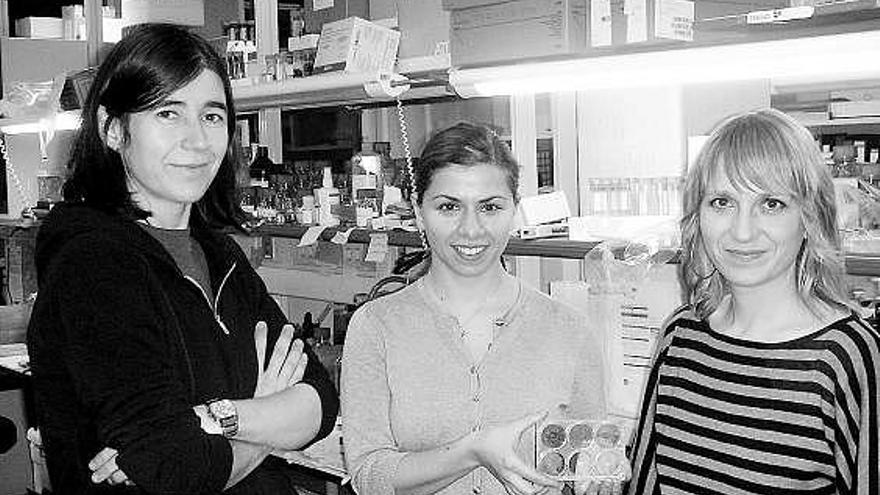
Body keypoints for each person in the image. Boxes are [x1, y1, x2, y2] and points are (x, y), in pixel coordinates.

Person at [26, 23, 338, 494]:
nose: (198, 141)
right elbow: (176, 468)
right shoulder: (93, 265)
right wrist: (269, 418)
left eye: (212, 116)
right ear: (112, 129)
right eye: (169, 113)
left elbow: (321, 401)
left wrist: (216, 418)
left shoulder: (220, 255)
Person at [341, 122, 611, 495]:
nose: (471, 229)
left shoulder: (569, 330)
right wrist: (473, 452)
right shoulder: (376, 326)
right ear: (419, 213)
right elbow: (370, 476)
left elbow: (590, 453)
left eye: (490, 207)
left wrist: (598, 473)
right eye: (449, 207)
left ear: (514, 211)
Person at [627, 108, 880, 494]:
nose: (742, 232)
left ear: (810, 217)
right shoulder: (680, 336)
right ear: (698, 215)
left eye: (771, 204)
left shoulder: (848, 358)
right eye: (722, 202)